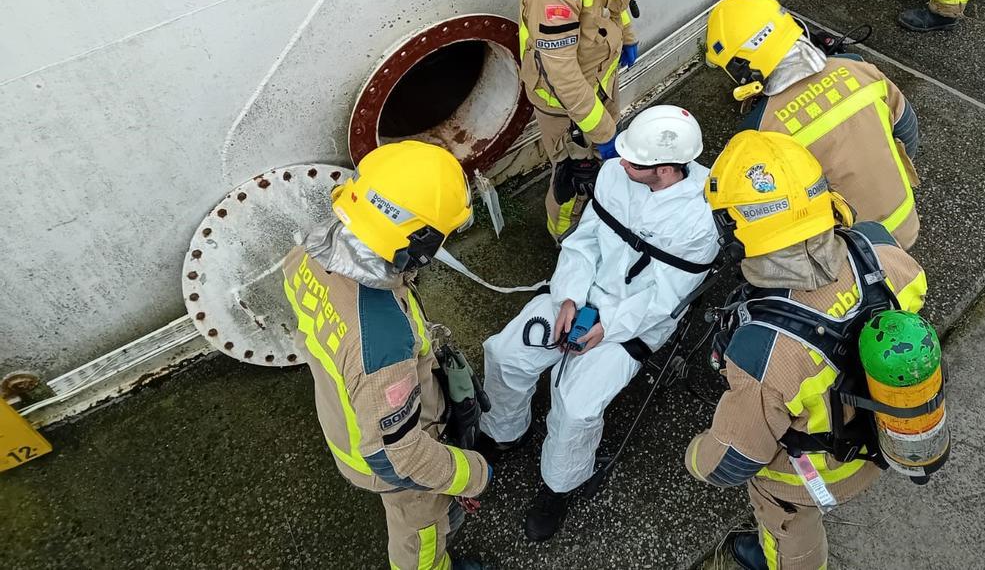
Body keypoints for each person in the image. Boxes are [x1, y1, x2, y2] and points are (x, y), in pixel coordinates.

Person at [687, 130, 930, 570]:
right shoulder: (881, 249)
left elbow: (730, 464)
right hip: (890, 434)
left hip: (815, 477)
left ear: (735, 228)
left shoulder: (761, 354)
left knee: (789, 528)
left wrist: (696, 457)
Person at [476, 105, 719, 541]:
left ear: (665, 169)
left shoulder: (701, 221)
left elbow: (665, 297)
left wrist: (607, 328)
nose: (619, 163)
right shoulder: (614, 176)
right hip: (583, 293)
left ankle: (559, 485)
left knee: (577, 406)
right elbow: (585, 239)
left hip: (635, 322)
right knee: (506, 351)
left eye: (633, 162)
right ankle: (505, 431)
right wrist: (568, 295)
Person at [282, 141, 490, 570]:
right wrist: (472, 474)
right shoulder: (382, 341)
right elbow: (400, 455)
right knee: (421, 535)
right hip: (387, 463)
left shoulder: (307, 252)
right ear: (419, 240)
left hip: (348, 417)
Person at [517, 0, 679, 239]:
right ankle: (564, 236)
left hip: (601, 75)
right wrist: (603, 131)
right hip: (562, 101)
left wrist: (628, 33)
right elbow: (562, 75)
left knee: (599, 159)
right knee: (574, 177)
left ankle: (600, 205)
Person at [705, 0, 921, 250]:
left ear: (741, 67)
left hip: (852, 256)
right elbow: (907, 132)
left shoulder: (760, 131)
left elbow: (774, 216)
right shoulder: (859, 70)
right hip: (907, 225)